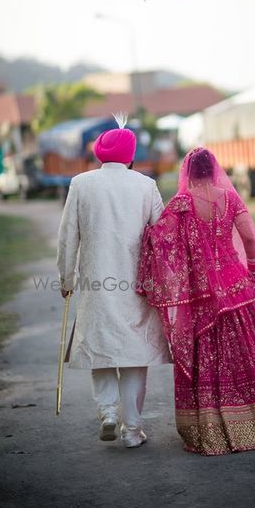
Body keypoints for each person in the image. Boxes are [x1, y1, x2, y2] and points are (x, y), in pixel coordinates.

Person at [137, 147, 255, 456]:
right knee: (250, 351)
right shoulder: (230, 198)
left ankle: (213, 430)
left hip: (203, 296)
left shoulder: (181, 205)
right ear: (214, 170)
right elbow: (249, 238)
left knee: (211, 358)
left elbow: (161, 242)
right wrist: (254, 271)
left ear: (189, 174)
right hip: (238, 286)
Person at [57, 113, 171, 448]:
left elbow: (68, 236)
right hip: (137, 285)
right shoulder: (146, 186)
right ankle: (132, 431)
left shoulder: (81, 183)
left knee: (101, 350)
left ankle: (108, 412)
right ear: (132, 156)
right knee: (134, 355)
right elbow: (163, 235)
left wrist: (66, 277)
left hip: (96, 283)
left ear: (99, 154)